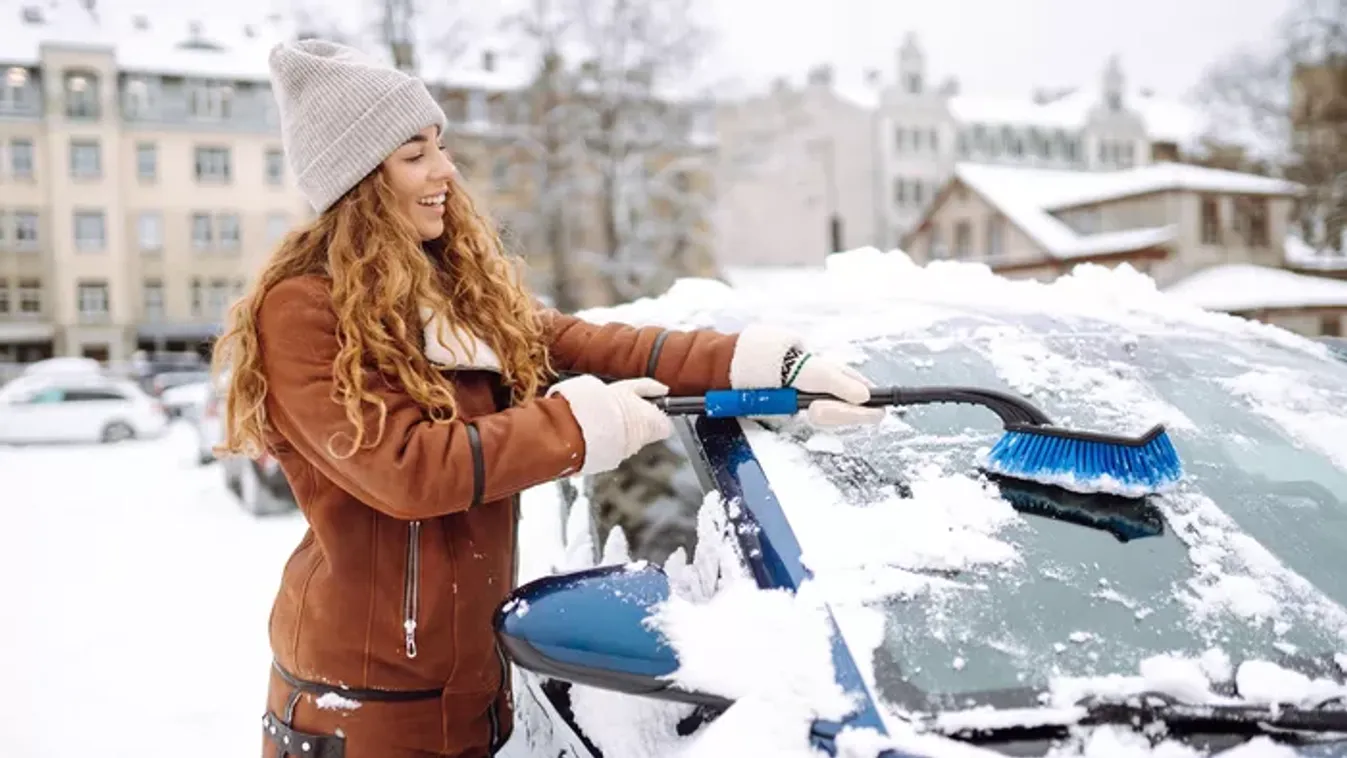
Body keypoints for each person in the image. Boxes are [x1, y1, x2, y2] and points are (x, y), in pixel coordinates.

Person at [215, 38, 886, 758]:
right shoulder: (302, 311)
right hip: (361, 706)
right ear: (357, 182)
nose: (445, 170)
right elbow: (407, 470)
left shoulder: (455, 299)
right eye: (413, 154)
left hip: (474, 690)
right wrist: (581, 423)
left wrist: (763, 367)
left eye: (438, 145)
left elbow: (598, 348)